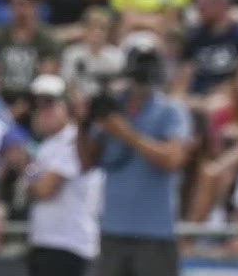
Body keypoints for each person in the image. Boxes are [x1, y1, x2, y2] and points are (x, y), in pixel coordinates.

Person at [80, 33, 193, 276]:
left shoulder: (171, 110)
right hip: (113, 230)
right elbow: (86, 162)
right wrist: (83, 124)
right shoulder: (112, 106)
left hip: (155, 232)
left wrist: (126, 133)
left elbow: (173, 160)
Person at [21, 75, 101, 276]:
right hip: (46, 242)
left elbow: (45, 189)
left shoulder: (73, 140)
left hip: (69, 246)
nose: (44, 112)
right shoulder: (48, 144)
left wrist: (25, 168)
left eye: (50, 104)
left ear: (67, 107)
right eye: (38, 107)